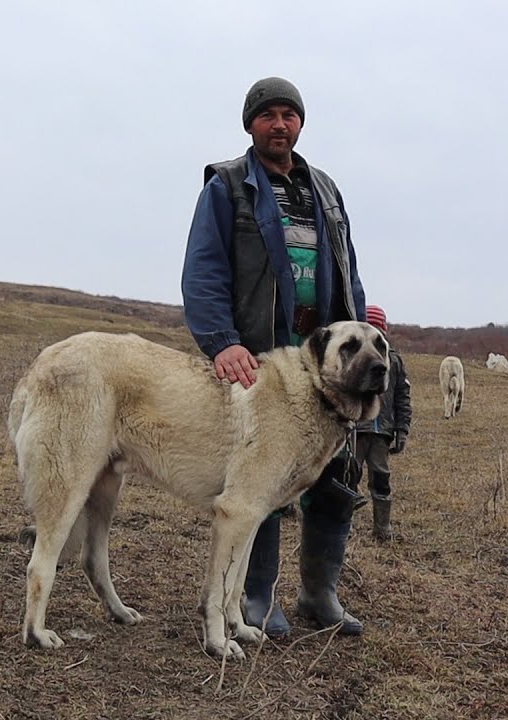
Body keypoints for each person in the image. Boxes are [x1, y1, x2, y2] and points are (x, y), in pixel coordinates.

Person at [181, 76, 367, 638]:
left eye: (289, 114)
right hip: (264, 355)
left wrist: (360, 317)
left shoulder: (326, 190)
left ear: (301, 123)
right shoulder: (228, 186)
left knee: (333, 468)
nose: (279, 124)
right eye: (268, 115)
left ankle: (319, 592)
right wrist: (223, 341)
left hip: (326, 361)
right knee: (264, 475)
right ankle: (257, 596)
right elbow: (204, 269)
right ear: (251, 124)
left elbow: (346, 268)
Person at [347, 305, 411, 541]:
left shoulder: (393, 361)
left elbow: (403, 396)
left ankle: (382, 529)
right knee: (347, 476)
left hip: (382, 433)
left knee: (381, 478)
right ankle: (344, 525)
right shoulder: (351, 358)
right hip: (355, 430)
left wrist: (401, 429)